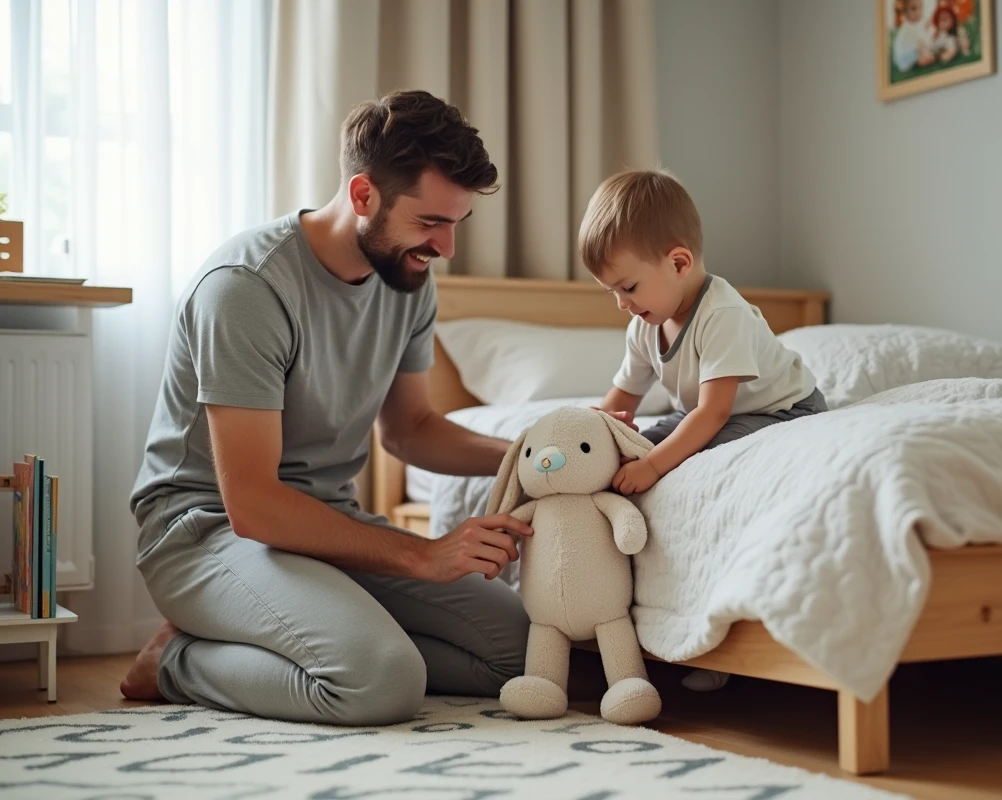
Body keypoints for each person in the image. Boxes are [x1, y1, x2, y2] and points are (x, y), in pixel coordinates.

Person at [121, 90, 534, 726]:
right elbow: (254, 505)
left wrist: (532, 457)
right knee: (380, 683)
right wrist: (424, 555)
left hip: (326, 526)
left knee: (525, 652)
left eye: (457, 223)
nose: (447, 248)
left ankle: (312, 641)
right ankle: (175, 661)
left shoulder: (409, 279)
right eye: (430, 223)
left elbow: (412, 430)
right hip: (207, 532)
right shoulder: (245, 289)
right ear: (364, 195)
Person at [581, 168, 827, 691]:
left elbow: (713, 415)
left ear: (678, 262)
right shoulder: (644, 322)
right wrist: (593, 438)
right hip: (711, 412)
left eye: (628, 287)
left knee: (687, 462)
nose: (622, 303)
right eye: (611, 292)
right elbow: (620, 400)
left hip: (781, 412)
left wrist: (651, 465)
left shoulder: (723, 314)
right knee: (635, 446)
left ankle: (715, 642)